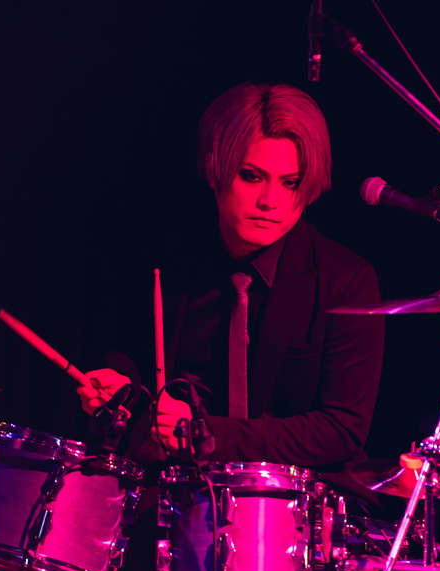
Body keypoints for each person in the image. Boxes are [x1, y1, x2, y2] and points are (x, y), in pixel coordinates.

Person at [77, 81, 385, 479]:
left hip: (296, 493)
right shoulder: (161, 258)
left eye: (290, 182)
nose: (270, 202)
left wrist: (206, 433)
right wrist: (119, 394)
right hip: (173, 481)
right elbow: (128, 360)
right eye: (252, 176)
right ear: (214, 169)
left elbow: (342, 430)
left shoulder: (346, 280)